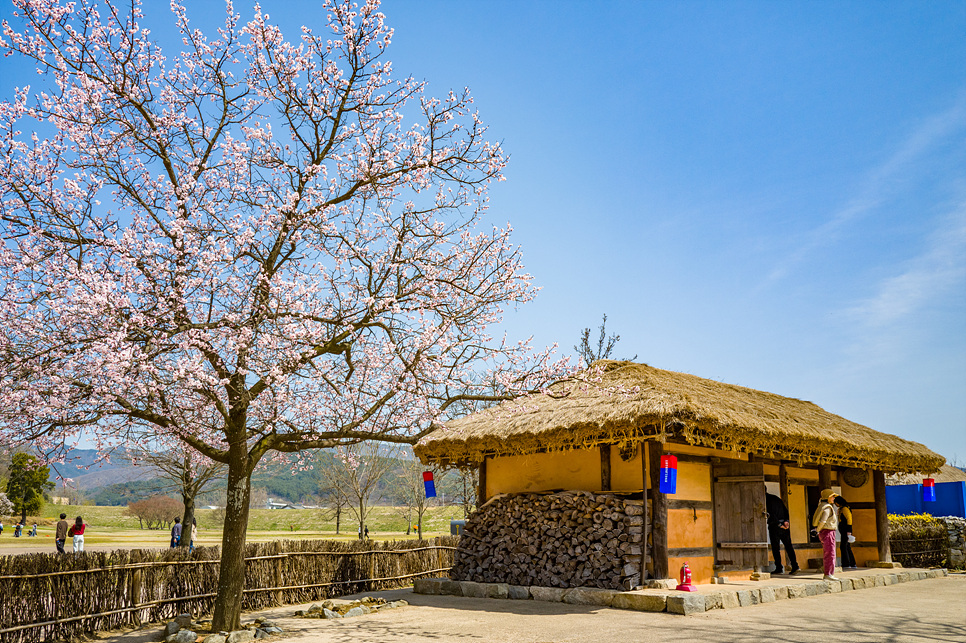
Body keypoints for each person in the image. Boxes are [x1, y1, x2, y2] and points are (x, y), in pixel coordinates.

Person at [765, 492, 799, 574]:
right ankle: (795, 566)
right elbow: (785, 510)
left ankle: (779, 567)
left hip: (775, 526)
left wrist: (779, 524)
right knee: (789, 546)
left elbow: (771, 514)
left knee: (776, 548)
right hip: (784, 525)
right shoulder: (777, 498)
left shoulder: (766, 499)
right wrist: (786, 521)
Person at [812, 488, 839, 581]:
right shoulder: (827, 507)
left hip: (825, 532)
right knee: (830, 553)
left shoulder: (821, 506)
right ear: (827, 497)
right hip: (828, 531)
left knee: (828, 552)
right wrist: (818, 530)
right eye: (832, 497)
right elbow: (823, 520)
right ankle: (828, 573)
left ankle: (829, 573)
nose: (833, 499)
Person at [834, 495, 857, 570]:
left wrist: (849, 531)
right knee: (847, 546)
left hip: (845, 529)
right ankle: (852, 563)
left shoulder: (845, 509)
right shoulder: (841, 509)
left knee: (844, 546)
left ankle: (846, 563)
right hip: (843, 529)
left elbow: (849, 520)